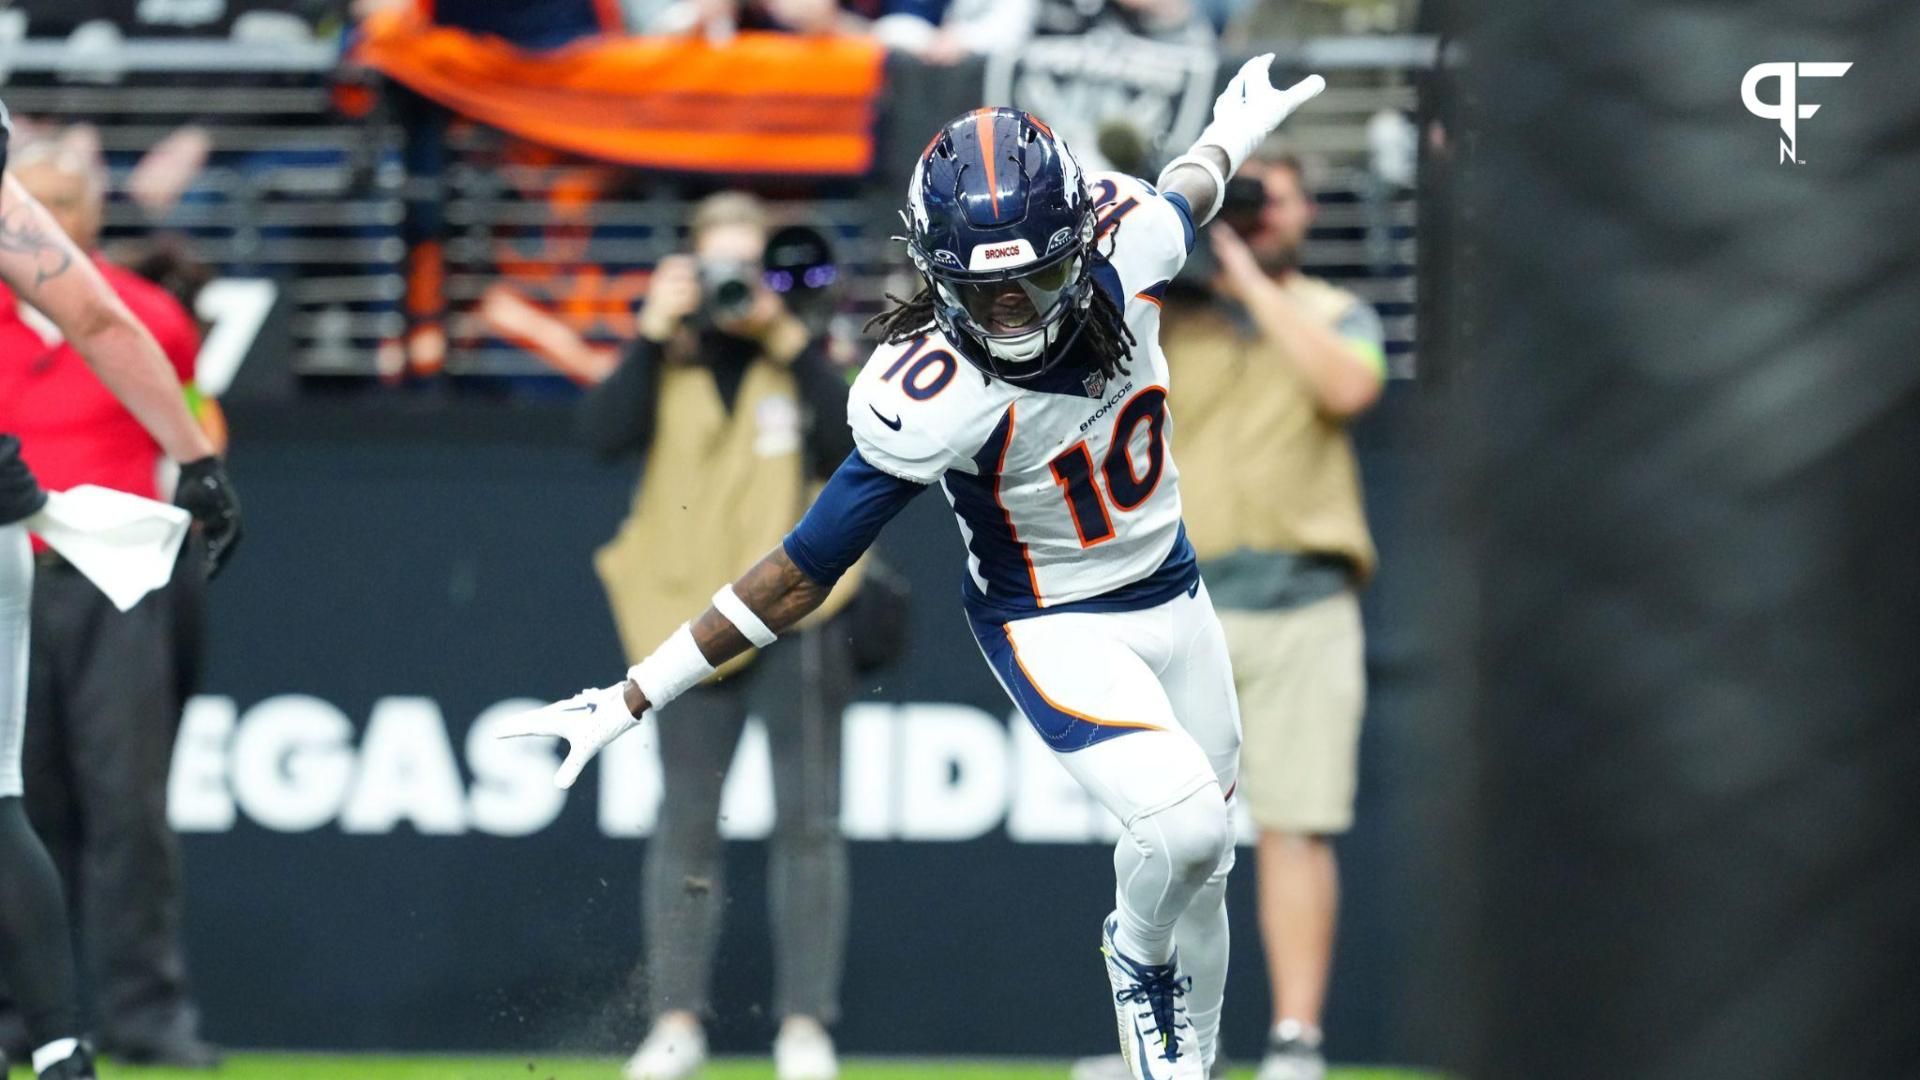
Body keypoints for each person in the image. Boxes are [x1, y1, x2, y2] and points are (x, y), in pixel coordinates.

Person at [507, 60, 1328, 1080]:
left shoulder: (1136, 238)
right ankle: (1133, 952)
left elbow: (1186, 191)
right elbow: (808, 564)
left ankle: (1184, 1068)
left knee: (1206, 868)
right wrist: (632, 695)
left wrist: (1227, 129)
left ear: (1081, 241)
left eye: (1037, 277)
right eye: (988, 291)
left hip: (1175, 587)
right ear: (939, 277)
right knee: (1185, 827)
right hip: (1054, 619)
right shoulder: (930, 391)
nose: (1019, 312)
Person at [577, 192, 861, 1080]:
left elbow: (859, 441)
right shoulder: (667, 359)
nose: (736, 287)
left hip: (796, 613)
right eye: (718, 270)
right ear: (688, 272)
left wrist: (788, 333)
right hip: (684, 621)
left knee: (810, 825)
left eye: (751, 268)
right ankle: (674, 1022)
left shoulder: (803, 352)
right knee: (685, 825)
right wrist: (649, 334)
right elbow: (599, 438)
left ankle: (806, 1026)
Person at [0, 101, 242, 1080]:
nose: (49, 212)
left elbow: (181, 409)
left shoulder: (156, 314)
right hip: (22, 555)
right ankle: (36, 1031)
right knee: (19, 801)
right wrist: (203, 471)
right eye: (39, 198)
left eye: (66, 200)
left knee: (123, 806)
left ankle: (136, 1014)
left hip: (107, 576)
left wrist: (201, 465)